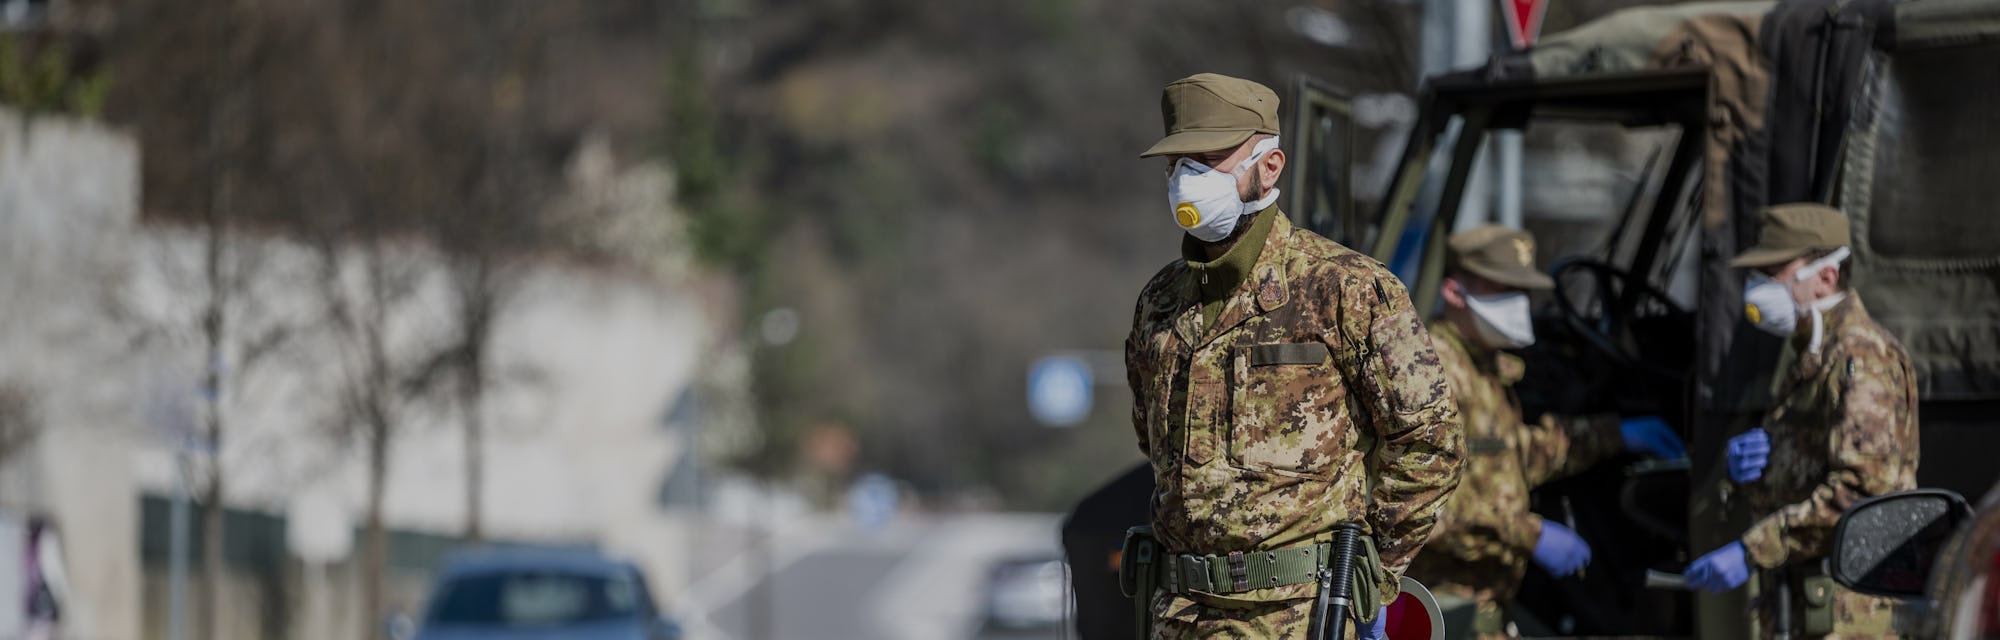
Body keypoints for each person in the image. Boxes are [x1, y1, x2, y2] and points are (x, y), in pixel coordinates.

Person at [1122, 72, 1464, 640]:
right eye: (1177, 164)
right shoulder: (1160, 302)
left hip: (1300, 618)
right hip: (1180, 616)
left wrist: (1375, 573)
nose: (1187, 180)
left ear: (1270, 166)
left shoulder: (1343, 287)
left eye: (1208, 160)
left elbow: (1431, 441)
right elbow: (1155, 445)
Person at [1404, 226, 1686, 639]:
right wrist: (1528, 534)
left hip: (1484, 610)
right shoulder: (1428, 370)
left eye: (1523, 293)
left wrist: (1616, 434)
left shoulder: (1482, 366)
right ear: (1453, 293)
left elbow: (1516, 455)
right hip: (1439, 610)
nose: (1519, 305)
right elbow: (1415, 506)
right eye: (1503, 291)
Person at [1681, 203, 1919, 637]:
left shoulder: (1859, 357)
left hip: (1849, 616)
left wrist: (1752, 550)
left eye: (1774, 273)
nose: (1759, 287)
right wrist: (1757, 470)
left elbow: (1861, 494)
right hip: (1805, 605)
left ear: (1826, 276)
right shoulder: (1811, 351)